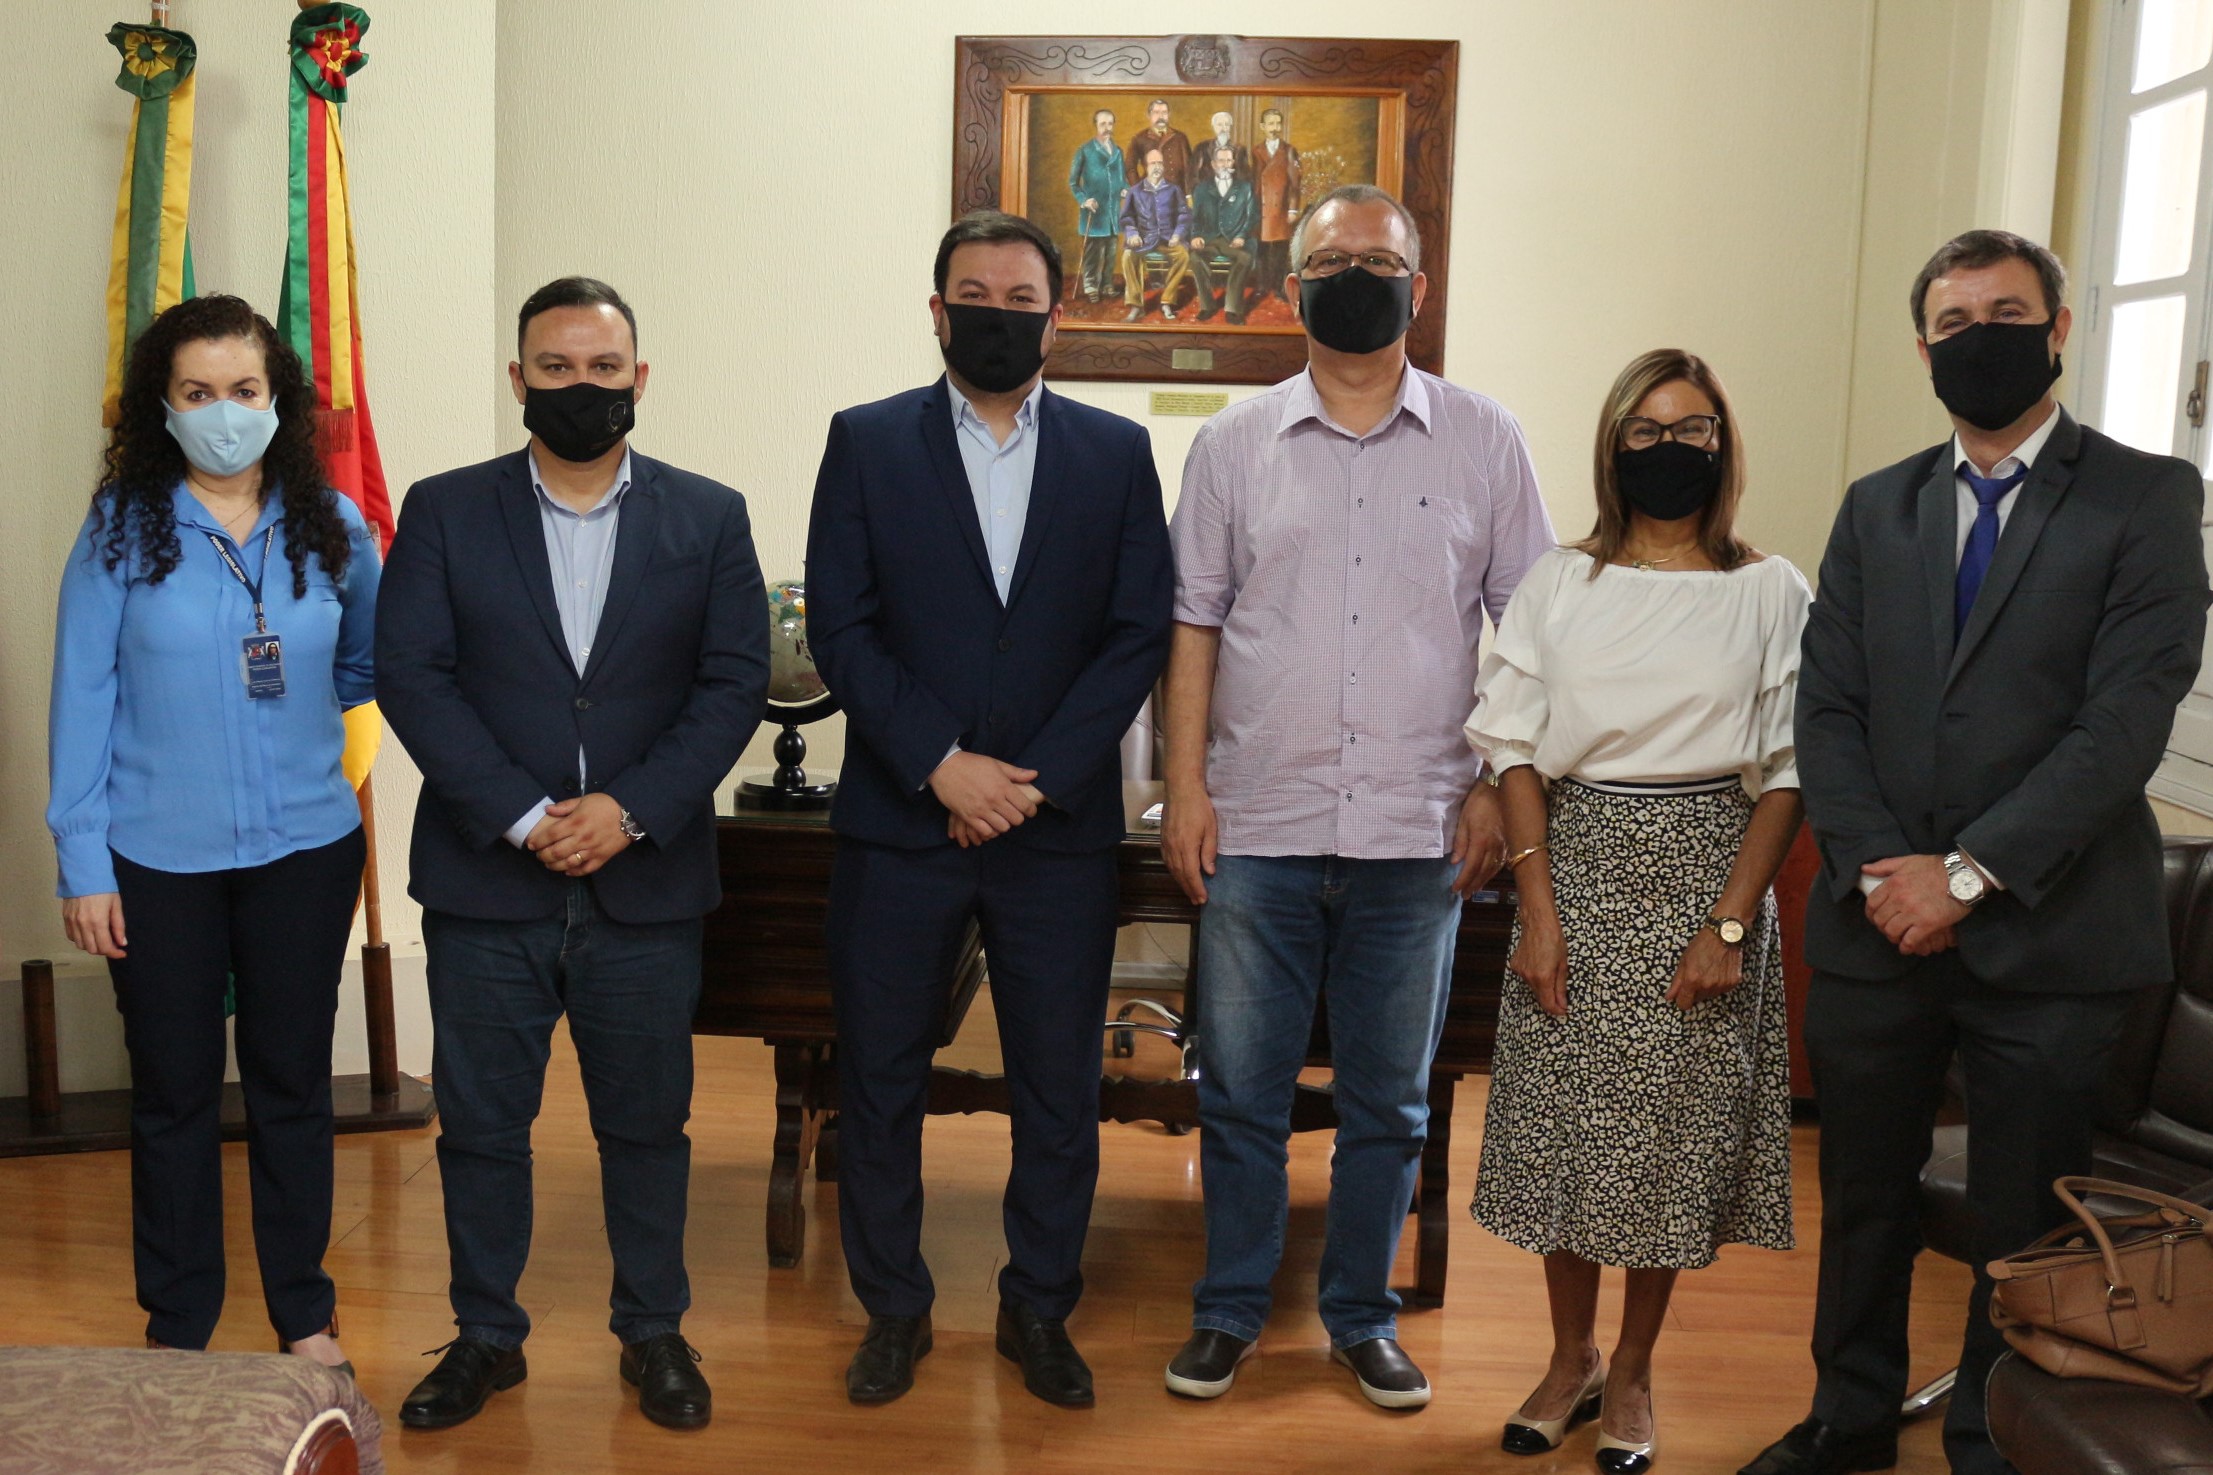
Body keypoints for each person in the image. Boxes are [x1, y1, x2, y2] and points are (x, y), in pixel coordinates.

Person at [1743, 230, 2210, 1475]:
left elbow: (2124, 721)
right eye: (1953, 322)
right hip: (1875, 925)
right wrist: (1882, 870)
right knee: (1862, 1198)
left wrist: (1962, 875)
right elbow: (1825, 707)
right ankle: (1846, 1416)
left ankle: (1988, 1438)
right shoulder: (1875, 505)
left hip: (2047, 931)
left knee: (2020, 1217)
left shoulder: (2146, 496)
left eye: (2006, 314)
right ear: (1922, 349)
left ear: (2056, 330)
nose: (1979, 338)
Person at [1161, 184, 1554, 1409]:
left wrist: (1493, 784)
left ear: (1416, 289)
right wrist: (1183, 786)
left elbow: (1528, 633)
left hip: (1417, 829)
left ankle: (1358, 1316)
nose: (1354, 278)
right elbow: (1192, 625)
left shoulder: (1484, 438)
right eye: (1329, 261)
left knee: (1388, 1101)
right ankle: (1228, 1309)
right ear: (1292, 288)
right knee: (1240, 1093)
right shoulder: (1230, 445)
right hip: (1258, 822)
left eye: (1377, 263)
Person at [377, 276, 768, 1433]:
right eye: (555, 368)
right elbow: (412, 674)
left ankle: (653, 1329)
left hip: (645, 879)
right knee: (481, 1126)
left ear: (639, 379)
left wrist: (627, 809)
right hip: (486, 875)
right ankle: (484, 1336)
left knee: (645, 1124)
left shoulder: (709, 515)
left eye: (602, 369)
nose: (580, 387)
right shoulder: (445, 508)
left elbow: (732, 681)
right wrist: (523, 812)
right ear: (519, 379)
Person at [806, 210, 1173, 1411]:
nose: (997, 315)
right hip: (899, 824)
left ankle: (1038, 1306)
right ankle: (893, 1308)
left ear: (1055, 320)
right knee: (880, 1080)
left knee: (1057, 1086)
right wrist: (940, 764)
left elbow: (1134, 635)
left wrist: (1029, 779)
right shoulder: (866, 441)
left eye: (1021, 299)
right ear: (936, 310)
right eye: (974, 294)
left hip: (1053, 831)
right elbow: (841, 626)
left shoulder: (1116, 453)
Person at [1466, 350, 1806, 1474]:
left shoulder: (1770, 589)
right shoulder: (1561, 581)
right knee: (1568, 1130)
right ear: (1613, 445)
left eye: (1691, 428)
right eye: (1645, 429)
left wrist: (1728, 925)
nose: (1669, 448)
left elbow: (1788, 770)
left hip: (1708, 871)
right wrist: (1536, 907)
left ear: (1722, 443)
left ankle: (1634, 1368)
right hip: (1573, 863)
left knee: (1664, 1144)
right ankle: (1567, 1356)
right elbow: (1513, 744)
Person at [48, 293, 378, 1374]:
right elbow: (80, 696)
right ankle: (179, 1323)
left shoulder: (336, 525)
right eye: (198, 392)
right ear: (164, 404)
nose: (223, 413)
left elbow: (370, 663)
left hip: (306, 849)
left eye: (243, 389)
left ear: (277, 398)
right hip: (155, 859)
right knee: (173, 1091)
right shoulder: (120, 530)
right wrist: (82, 860)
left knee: (292, 1083)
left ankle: (303, 1312)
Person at [1120, 145, 1195, 322]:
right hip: (1144, 239)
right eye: (1153, 163)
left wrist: (1178, 234)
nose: (1157, 167)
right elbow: (1126, 217)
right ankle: (1136, 305)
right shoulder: (1135, 191)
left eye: (1160, 163)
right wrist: (1132, 233)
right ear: (1145, 166)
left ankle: (1167, 300)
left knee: (1183, 255)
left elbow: (1184, 215)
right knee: (1128, 256)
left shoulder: (1174, 189)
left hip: (1169, 239)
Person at [1189, 143, 1258, 324]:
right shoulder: (1202, 189)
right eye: (1221, 161)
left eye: (1228, 160)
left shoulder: (1245, 188)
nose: (1225, 165)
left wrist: (1241, 236)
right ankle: (1207, 305)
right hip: (1209, 239)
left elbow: (1252, 217)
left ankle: (1232, 308)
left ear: (1233, 163)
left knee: (1245, 258)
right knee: (1195, 258)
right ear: (1213, 164)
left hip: (1234, 239)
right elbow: (1195, 218)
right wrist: (1195, 235)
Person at [1067, 108, 1126, 302]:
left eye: (1110, 123)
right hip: (1094, 212)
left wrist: (1125, 189)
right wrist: (1084, 200)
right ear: (1096, 125)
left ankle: (1107, 284)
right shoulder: (1084, 150)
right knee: (1092, 253)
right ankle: (1090, 286)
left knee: (1111, 252)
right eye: (1103, 124)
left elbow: (1122, 179)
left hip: (1112, 211)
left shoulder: (1118, 151)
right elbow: (1073, 183)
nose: (1107, 128)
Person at [1253, 108, 1302, 299]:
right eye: (1270, 124)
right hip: (1261, 206)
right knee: (1262, 250)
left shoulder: (1289, 150)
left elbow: (1295, 183)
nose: (1274, 128)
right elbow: (1254, 180)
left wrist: (1293, 208)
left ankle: (1280, 287)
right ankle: (1262, 286)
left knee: (1280, 250)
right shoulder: (1256, 150)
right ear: (1262, 127)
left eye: (1277, 123)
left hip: (1281, 206)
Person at [1125, 97, 1192, 192]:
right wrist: (1138, 190)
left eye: (1164, 113)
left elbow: (1189, 168)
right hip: (1150, 192)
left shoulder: (1180, 137)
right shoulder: (1139, 138)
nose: (1161, 117)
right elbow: (1130, 167)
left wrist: (1188, 193)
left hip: (1176, 192)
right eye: (1156, 112)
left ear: (1169, 114)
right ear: (1149, 115)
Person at [1190, 110, 1247, 183]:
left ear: (1230, 127)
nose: (1223, 128)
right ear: (1213, 127)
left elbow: (1243, 175)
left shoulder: (1239, 149)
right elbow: (1194, 173)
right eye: (1219, 125)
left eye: (1227, 124)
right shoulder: (1202, 148)